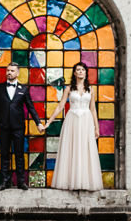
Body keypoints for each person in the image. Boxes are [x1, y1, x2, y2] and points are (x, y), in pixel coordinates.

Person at [39, 62, 103, 191]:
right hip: (72, 120)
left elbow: (93, 109)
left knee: (85, 149)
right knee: (72, 148)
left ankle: (85, 181)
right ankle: (70, 180)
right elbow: (60, 106)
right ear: (74, 73)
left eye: (82, 69)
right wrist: (48, 122)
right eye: (78, 70)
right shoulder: (69, 88)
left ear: (85, 72)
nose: (80, 71)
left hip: (86, 120)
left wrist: (97, 128)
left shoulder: (91, 89)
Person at [0, 63, 42, 190]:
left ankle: (21, 181)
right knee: (4, 154)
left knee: (19, 154)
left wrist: (38, 122)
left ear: (17, 73)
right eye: (8, 70)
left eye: (12, 71)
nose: (9, 73)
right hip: (3, 127)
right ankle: (5, 181)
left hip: (18, 127)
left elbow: (31, 107)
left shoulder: (23, 89)